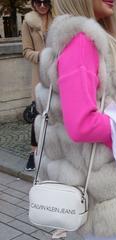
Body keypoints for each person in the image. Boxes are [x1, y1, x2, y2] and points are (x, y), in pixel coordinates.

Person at [35, 0, 116, 239]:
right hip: (105, 200)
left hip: (99, 193)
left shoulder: (71, 41)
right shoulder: (82, 42)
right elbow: (81, 125)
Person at [21, 0, 53, 171]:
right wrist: (41, 56)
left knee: (58, 113)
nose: (42, 5)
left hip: (59, 73)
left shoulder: (58, 18)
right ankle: (33, 153)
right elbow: (26, 51)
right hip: (39, 75)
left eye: (45, 2)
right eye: (38, 2)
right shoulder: (28, 21)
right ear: (33, 3)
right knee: (37, 115)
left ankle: (54, 152)